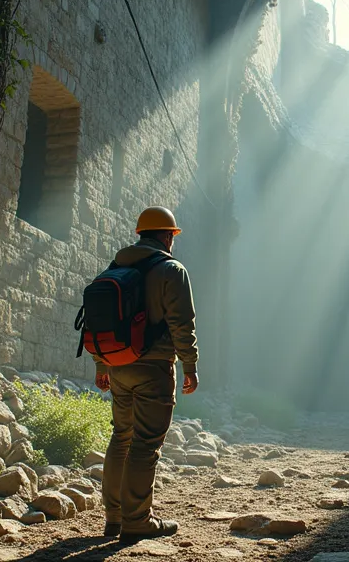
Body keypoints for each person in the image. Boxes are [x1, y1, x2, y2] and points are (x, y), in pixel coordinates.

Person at [94, 206, 200, 542]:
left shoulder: (113, 268)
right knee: (144, 446)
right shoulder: (171, 270)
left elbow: (100, 320)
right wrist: (190, 366)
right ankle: (137, 520)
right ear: (167, 236)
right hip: (154, 369)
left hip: (117, 366)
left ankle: (114, 519)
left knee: (121, 438)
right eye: (173, 236)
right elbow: (182, 324)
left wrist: (102, 365)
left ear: (141, 234)